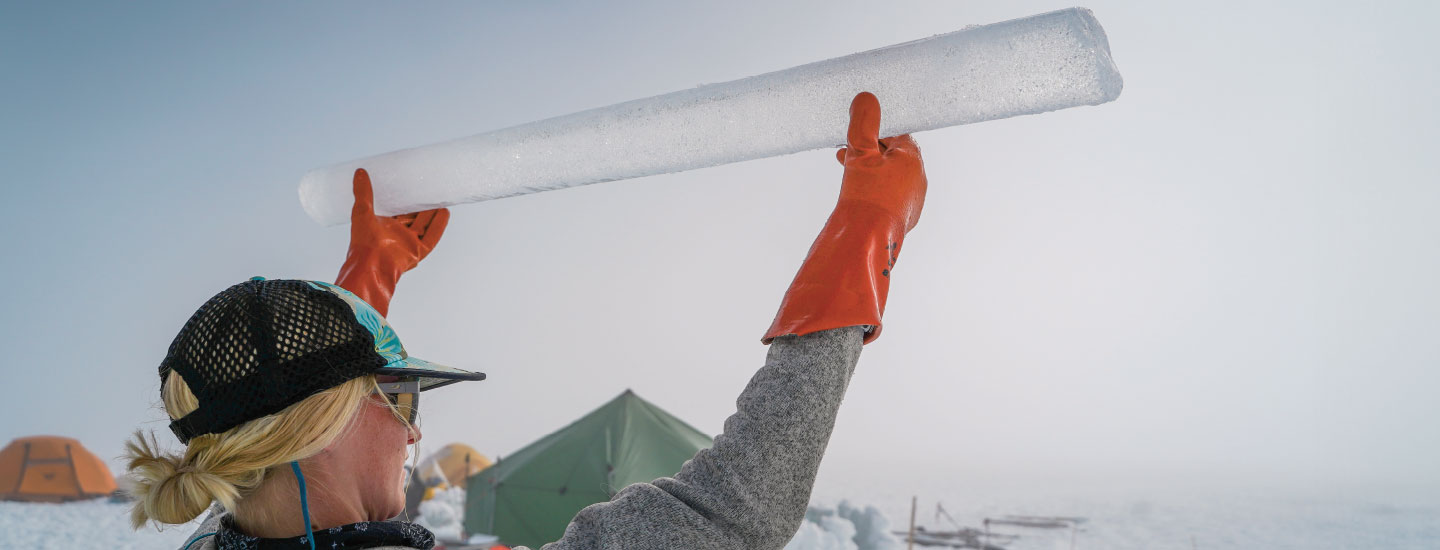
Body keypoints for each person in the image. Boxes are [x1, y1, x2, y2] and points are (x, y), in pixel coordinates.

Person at [127, 91, 927, 550]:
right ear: (318, 431)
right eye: (401, 396)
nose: (413, 433)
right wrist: (865, 237)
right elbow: (738, 507)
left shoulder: (220, 526)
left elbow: (281, 394)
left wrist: (367, 282)